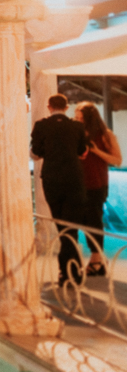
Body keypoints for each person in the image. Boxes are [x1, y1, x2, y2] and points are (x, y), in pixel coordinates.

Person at [30, 94, 88, 285]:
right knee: (70, 227)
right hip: (74, 180)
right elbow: (82, 153)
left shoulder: (41, 126)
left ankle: (69, 272)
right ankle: (72, 271)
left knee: (62, 225)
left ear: (49, 107)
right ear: (66, 107)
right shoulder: (77, 127)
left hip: (52, 180)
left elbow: (35, 155)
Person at [75, 101, 122, 276]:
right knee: (84, 221)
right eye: (76, 117)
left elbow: (117, 160)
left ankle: (96, 259)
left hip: (97, 183)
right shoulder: (77, 133)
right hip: (80, 184)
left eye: (81, 118)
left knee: (94, 220)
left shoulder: (104, 135)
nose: (78, 121)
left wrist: (96, 151)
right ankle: (99, 257)